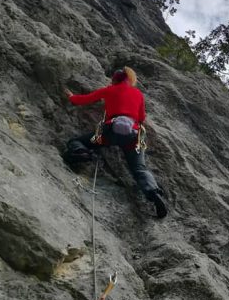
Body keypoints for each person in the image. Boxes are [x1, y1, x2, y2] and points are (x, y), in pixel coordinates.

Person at [63, 66, 168, 218]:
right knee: (139, 168)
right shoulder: (138, 94)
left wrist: (72, 97)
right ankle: (153, 192)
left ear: (114, 80)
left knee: (77, 141)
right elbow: (141, 117)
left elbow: (86, 99)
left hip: (111, 131)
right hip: (134, 135)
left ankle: (82, 152)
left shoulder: (109, 90)